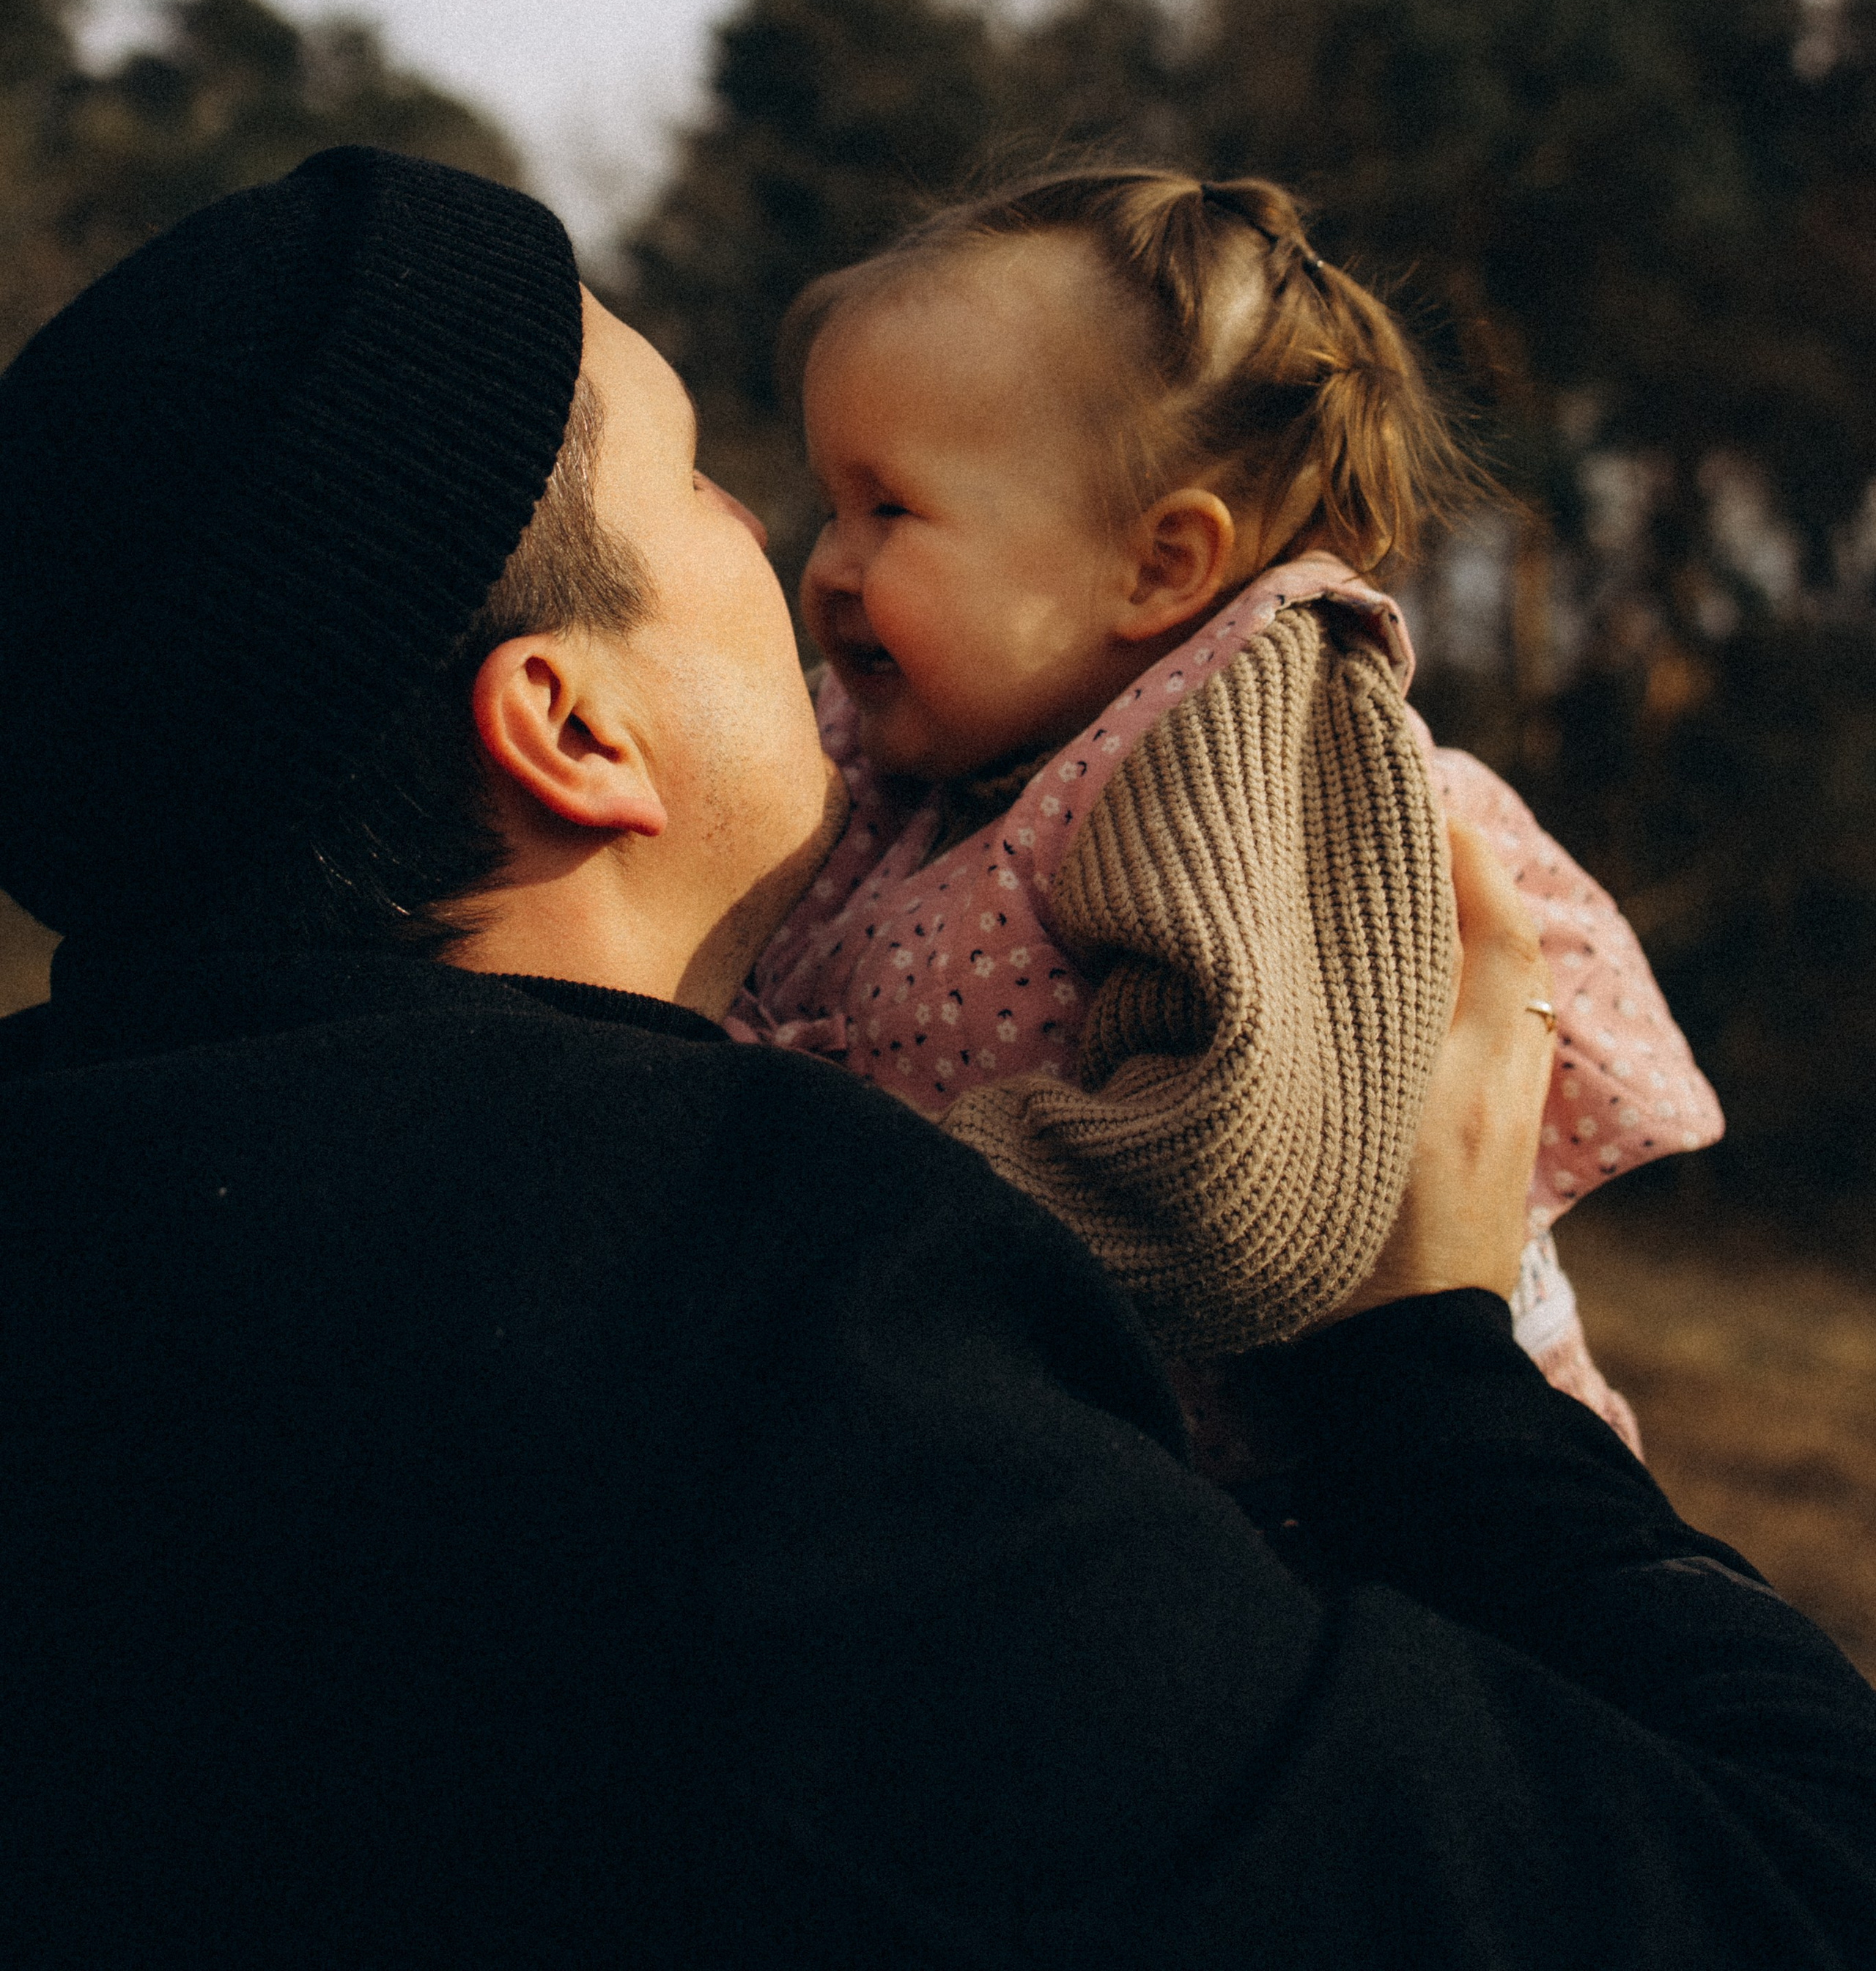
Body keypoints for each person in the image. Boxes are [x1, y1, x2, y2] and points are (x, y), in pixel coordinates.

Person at [0, 146, 1871, 1970]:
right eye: (718, 491)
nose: (804, 562)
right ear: (571, 727)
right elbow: (1791, 1889)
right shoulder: (765, 1364)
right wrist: (1436, 1367)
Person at [745, 168, 1714, 1468]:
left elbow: (1234, 1184)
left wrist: (830, 1203)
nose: (827, 566)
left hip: (1360, 1518)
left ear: (1159, 565)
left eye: (890, 509)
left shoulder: (1247, 735)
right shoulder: (922, 750)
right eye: (829, 506)